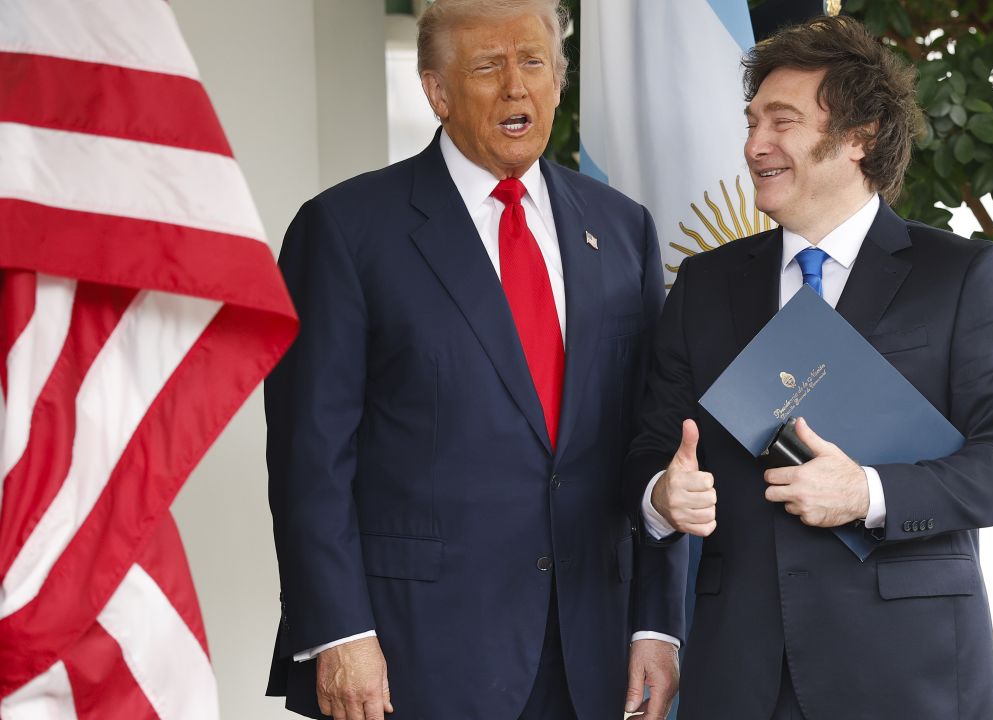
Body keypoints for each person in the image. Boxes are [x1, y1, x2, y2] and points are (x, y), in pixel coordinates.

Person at [264, 1, 685, 718]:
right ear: (437, 92)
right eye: (488, 67)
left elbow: (655, 441)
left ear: (559, 79)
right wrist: (340, 631)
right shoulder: (345, 230)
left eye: (533, 63)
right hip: (413, 653)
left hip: (591, 648)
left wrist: (655, 623)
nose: (516, 87)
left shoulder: (622, 230)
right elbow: (311, 455)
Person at [626, 15, 993, 720]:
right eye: (752, 122)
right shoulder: (705, 284)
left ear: (859, 137)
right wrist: (662, 495)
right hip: (738, 673)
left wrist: (869, 493)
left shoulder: (964, 276)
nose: (755, 144)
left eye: (781, 122)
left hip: (909, 673)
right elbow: (647, 448)